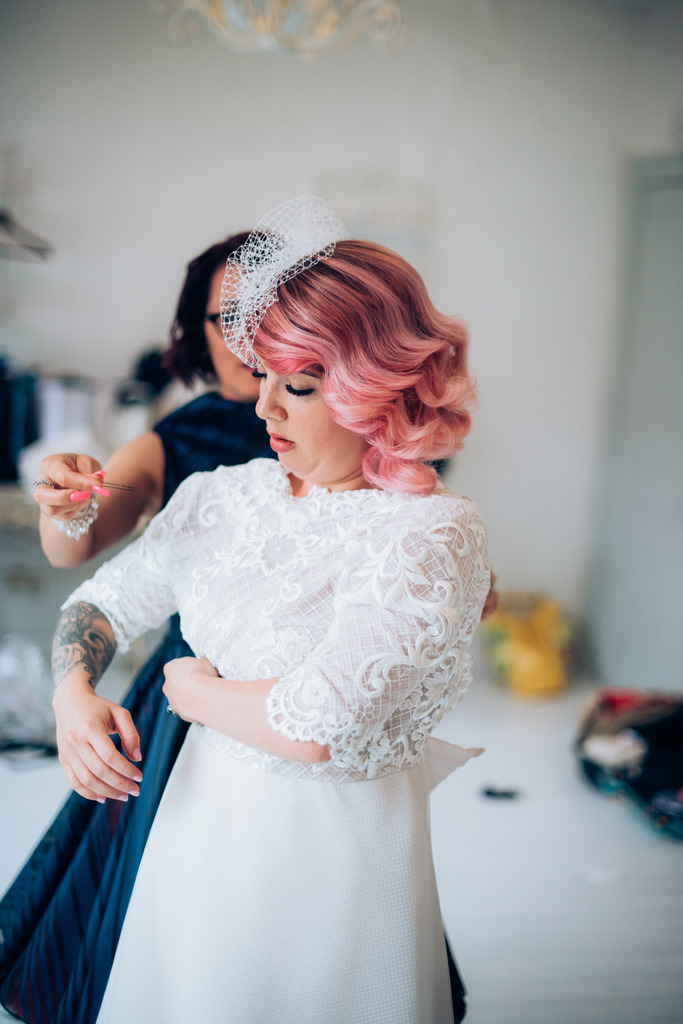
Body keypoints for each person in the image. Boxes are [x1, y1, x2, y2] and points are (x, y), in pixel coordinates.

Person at [48, 196, 491, 1024]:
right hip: (195, 828)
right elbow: (99, 596)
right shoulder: (222, 495)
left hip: (329, 855)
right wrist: (72, 695)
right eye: (264, 377)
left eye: (299, 386)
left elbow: (317, 721)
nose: (264, 409)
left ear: (376, 392)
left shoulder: (429, 530)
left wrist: (189, 690)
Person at [0, 232, 275, 1024]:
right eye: (226, 319)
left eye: (267, 314)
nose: (248, 339)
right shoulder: (175, 440)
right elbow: (78, 546)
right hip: (189, 697)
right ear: (196, 331)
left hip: (304, 694)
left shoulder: (351, 426)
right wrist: (65, 500)